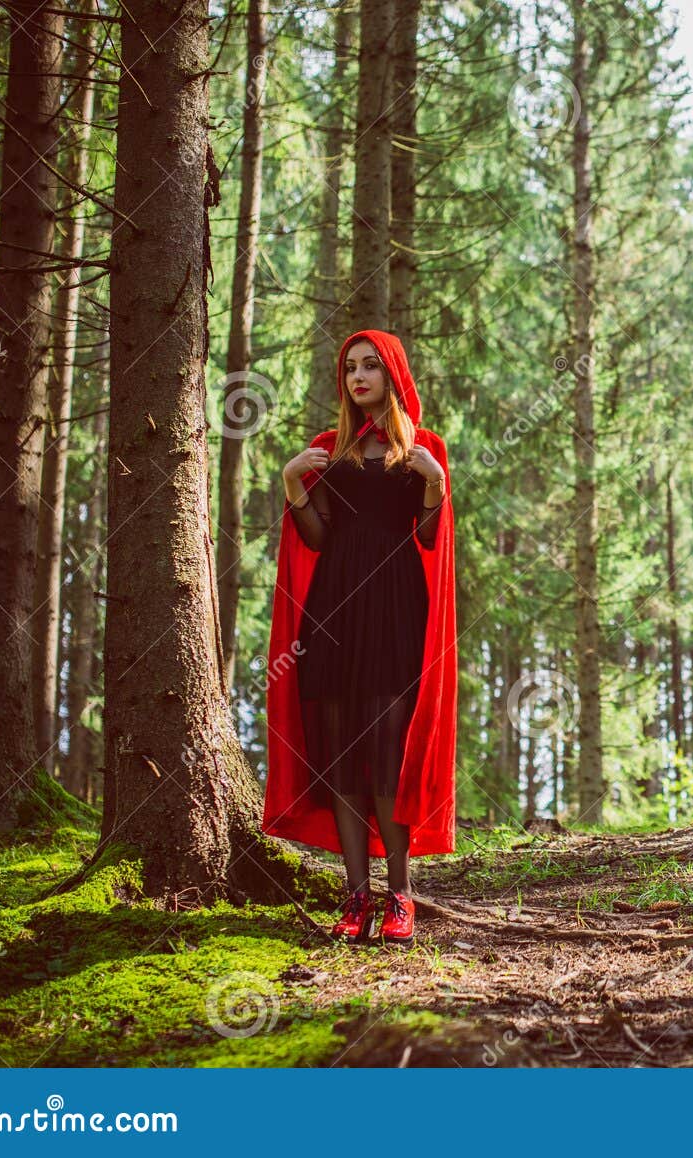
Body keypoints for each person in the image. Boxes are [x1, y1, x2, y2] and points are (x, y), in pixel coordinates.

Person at [262, 329, 458, 948]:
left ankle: (401, 894)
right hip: (333, 614)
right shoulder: (329, 449)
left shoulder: (424, 450)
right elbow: (316, 540)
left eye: (372, 366)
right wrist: (293, 485)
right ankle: (356, 897)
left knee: (387, 756)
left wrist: (433, 484)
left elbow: (430, 539)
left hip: (397, 609)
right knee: (343, 759)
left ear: (394, 375)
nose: (359, 376)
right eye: (350, 368)